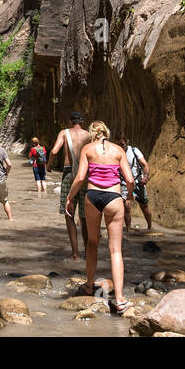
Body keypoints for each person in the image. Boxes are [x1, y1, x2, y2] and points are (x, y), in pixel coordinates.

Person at [66, 121, 135, 315]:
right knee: (115, 250)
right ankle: (120, 300)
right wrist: (128, 196)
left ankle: (89, 285)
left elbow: (80, 178)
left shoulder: (87, 149)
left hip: (93, 197)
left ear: (91, 134)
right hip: (114, 198)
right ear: (107, 132)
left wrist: (70, 199)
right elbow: (129, 180)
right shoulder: (118, 150)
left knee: (92, 243)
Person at [51, 112, 91, 259]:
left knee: (69, 214)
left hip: (69, 174)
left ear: (70, 121)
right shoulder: (88, 135)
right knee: (85, 216)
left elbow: (55, 151)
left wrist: (49, 164)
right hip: (85, 176)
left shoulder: (64, 133)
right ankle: (88, 252)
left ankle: (75, 253)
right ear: (82, 121)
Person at [116, 133, 153, 231]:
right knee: (126, 205)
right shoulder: (116, 153)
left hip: (138, 182)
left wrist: (145, 177)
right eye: (119, 145)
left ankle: (150, 227)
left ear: (126, 143)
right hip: (125, 183)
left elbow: (145, 164)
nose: (121, 147)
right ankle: (128, 229)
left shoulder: (134, 151)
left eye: (122, 144)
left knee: (144, 206)